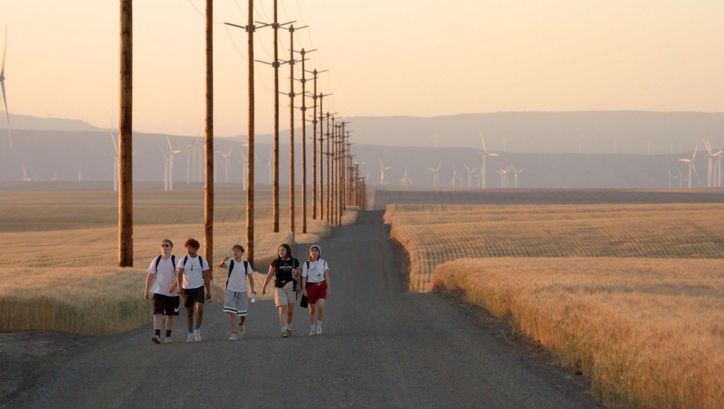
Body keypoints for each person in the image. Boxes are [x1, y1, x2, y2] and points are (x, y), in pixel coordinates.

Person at [143, 239, 179, 344]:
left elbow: (180, 276)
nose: (164, 247)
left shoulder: (175, 260)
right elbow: (150, 275)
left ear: (171, 248)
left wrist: (174, 285)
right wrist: (146, 290)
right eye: (162, 245)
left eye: (167, 245)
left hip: (172, 293)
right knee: (157, 312)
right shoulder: (156, 260)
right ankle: (157, 335)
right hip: (158, 291)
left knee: (170, 314)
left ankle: (168, 336)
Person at [262, 244, 301, 338]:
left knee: (290, 310)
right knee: (282, 306)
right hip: (279, 287)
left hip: (291, 286)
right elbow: (269, 274)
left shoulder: (294, 261)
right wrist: (264, 286)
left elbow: (299, 273)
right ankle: (283, 330)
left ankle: (289, 328)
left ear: (287, 251)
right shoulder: (275, 262)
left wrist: (298, 282)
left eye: (283, 250)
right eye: (279, 250)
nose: (281, 252)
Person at [176, 238, 210, 343]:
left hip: (199, 287)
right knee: (189, 313)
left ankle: (197, 332)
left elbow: (206, 275)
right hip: (187, 289)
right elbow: (179, 273)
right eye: (187, 247)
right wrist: (179, 286)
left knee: (200, 309)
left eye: (190, 247)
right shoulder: (183, 260)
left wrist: (208, 290)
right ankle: (190, 334)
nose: (188, 249)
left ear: (195, 248)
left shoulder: (202, 260)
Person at [219, 244, 256, 341]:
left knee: (242, 313)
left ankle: (241, 323)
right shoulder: (230, 262)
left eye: (238, 251)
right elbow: (221, 265)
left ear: (242, 253)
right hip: (231, 290)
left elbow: (251, 278)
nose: (235, 252)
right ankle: (233, 333)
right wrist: (225, 258)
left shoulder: (245, 264)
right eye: (234, 250)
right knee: (231, 312)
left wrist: (252, 289)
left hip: (242, 291)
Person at [301, 244, 331, 336]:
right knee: (312, 310)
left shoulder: (323, 263)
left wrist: (329, 288)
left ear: (319, 253)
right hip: (310, 287)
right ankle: (312, 327)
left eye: (316, 251)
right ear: (310, 253)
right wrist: (304, 289)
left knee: (321, 306)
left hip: (321, 286)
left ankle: (319, 325)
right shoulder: (306, 264)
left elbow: (326, 276)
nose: (314, 252)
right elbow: (304, 277)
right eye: (312, 251)